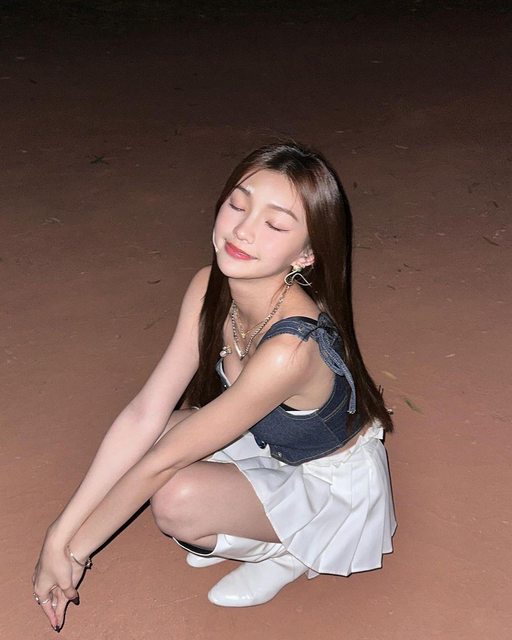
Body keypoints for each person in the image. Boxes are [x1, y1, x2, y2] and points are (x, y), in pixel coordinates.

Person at [32, 141, 397, 631]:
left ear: (307, 253)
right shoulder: (209, 287)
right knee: (160, 429)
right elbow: (144, 414)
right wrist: (56, 535)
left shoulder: (290, 349)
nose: (243, 229)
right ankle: (259, 524)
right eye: (238, 205)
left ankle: (293, 549)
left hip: (328, 485)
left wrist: (73, 552)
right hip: (267, 444)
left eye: (275, 224)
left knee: (175, 497)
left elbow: (165, 463)